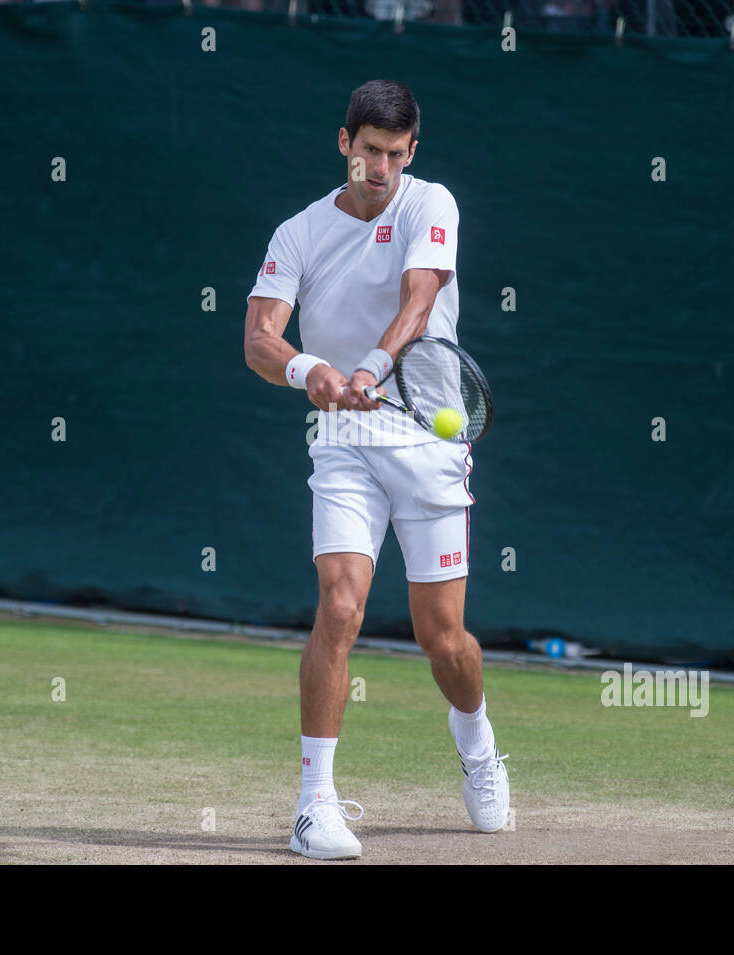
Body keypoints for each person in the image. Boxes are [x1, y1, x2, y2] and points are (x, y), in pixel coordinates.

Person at [243, 79, 508, 860]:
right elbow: (261, 337)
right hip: (343, 446)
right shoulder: (297, 234)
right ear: (344, 145)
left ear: (411, 152)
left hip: (428, 444)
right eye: (370, 153)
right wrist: (308, 374)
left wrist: (368, 366)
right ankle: (313, 803)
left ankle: (479, 747)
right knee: (342, 606)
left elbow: (419, 304)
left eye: (396, 154)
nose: (383, 169)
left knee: (445, 638)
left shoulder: (433, 204)